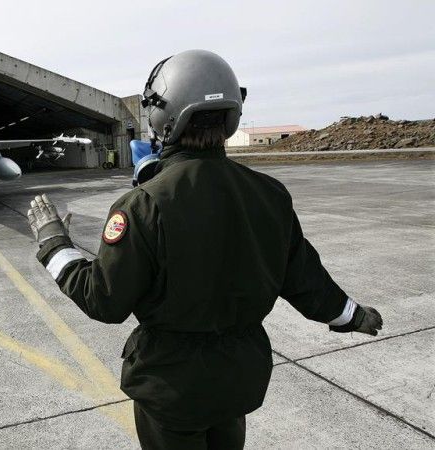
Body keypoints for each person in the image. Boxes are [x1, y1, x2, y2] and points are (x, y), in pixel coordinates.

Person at [26, 50, 383, 450]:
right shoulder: (270, 195)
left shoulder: (143, 206)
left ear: (163, 117)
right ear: (232, 113)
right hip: (237, 383)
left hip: (172, 389)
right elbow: (306, 281)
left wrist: (54, 244)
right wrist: (351, 315)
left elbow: (104, 300)